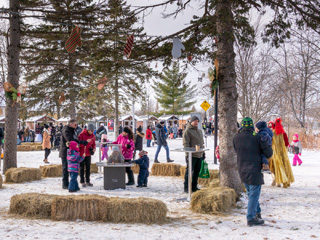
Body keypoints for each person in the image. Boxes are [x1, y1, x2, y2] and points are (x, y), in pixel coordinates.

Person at [233, 117, 273, 226]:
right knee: (254, 194)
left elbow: (236, 150)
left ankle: (257, 212)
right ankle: (250, 218)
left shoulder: (236, 137)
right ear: (251, 126)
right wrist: (266, 143)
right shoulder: (258, 137)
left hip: (241, 168)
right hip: (254, 169)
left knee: (251, 193)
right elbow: (269, 153)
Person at [59, 119, 90, 189]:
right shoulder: (66, 130)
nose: (76, 126)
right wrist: (81, 142)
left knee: (71, 170)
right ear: (71, 124)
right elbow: (70, 140)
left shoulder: (72, 130)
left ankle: (72, 185)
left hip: (71, 152)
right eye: (75, 124)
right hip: (66, 152)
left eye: (77, 124)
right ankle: (65, 184)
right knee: (65, 168)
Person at [269, 117, 294, 188]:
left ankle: (276, 180)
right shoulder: (284, 134)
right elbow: (286, 144)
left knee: (274, 166)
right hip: (282, 154)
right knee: (283, 166)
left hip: (274, 153)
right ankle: (283, 181)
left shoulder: (272, 133)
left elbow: (270, 143)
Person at [182, 116, 205, 193]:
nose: (196, 122)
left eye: (197, 121)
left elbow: (202, 143)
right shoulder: (187, 131)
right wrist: (188, 154)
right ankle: (186, 187)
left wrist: (203, 153)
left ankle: (194, 186)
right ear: (191, 122)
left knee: (196, 171)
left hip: (199, 155)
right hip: (191, 155)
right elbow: (186, 144)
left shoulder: (199, 131)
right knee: (189, 171)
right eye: (195, 121)